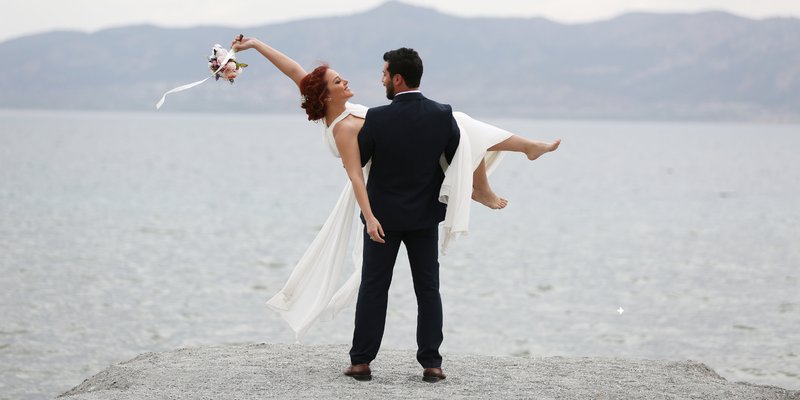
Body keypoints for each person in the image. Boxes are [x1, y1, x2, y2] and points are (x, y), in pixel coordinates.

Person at [229, 37, 559, 360]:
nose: (345, 81)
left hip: (393, 179)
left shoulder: (347, 109)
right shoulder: (343, 128)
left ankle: (504, 167)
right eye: (338, 81)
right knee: (457, 125)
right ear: (326, 94)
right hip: (379, 193)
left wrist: (256, 45)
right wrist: (370, 216)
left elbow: (293, 69)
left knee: (460, 124)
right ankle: (497, 174)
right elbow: (355, 176)